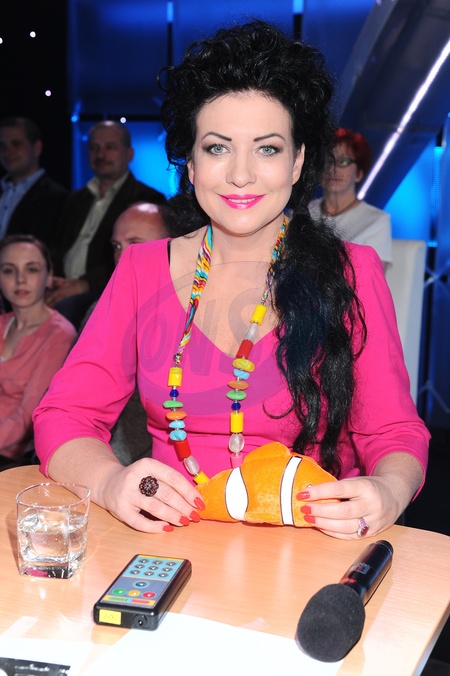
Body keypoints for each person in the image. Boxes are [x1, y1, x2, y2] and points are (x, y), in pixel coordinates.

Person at [33, 20, 429, 540]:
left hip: (310, 541)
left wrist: (389, 491)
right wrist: (110, 482)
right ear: (191, 165)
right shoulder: (141, 269)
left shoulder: (351, 271)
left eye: (267, 149)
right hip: (171, 539)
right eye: (218, 148)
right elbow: (64, 414)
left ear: (297, 162)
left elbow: (394, 431)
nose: (241, 174)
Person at [79, 200, 177, 466]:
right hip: (100, 461)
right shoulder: (101, 308)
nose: (123, 257)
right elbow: (75, 401)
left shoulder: (194, 311)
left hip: (161, 465)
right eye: (117, 246)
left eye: (135, 244)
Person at [46, 120, 166, 328]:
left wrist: (84, 284)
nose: (100, 155)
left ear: (129, 154)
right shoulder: (75, 198)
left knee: (67, 309)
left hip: (105, 286)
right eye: (94, 148)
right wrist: (50, 276)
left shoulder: (147, 199)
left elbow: (136, 259)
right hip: (63, 283)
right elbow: (58, 245)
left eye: (110, 147)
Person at [0, 234, 76, 467]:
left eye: (31, 269)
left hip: (13, 456)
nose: (20, 279)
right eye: (9, 270)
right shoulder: (3, 323)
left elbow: (26, 419)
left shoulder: (59, 335)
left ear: (49, 276)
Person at [309, 128, 393, 271]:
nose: (333, 169)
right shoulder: (301, 213)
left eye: (343, 161)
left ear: (359, 173)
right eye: (328, 160)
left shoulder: (376, 221)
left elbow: (371, 278)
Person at [0, 117, 68, 248]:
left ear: (36, 148)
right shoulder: (2, 190)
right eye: (2, 146)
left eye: (16, 144)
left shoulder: (56, 198)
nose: (8, 152)